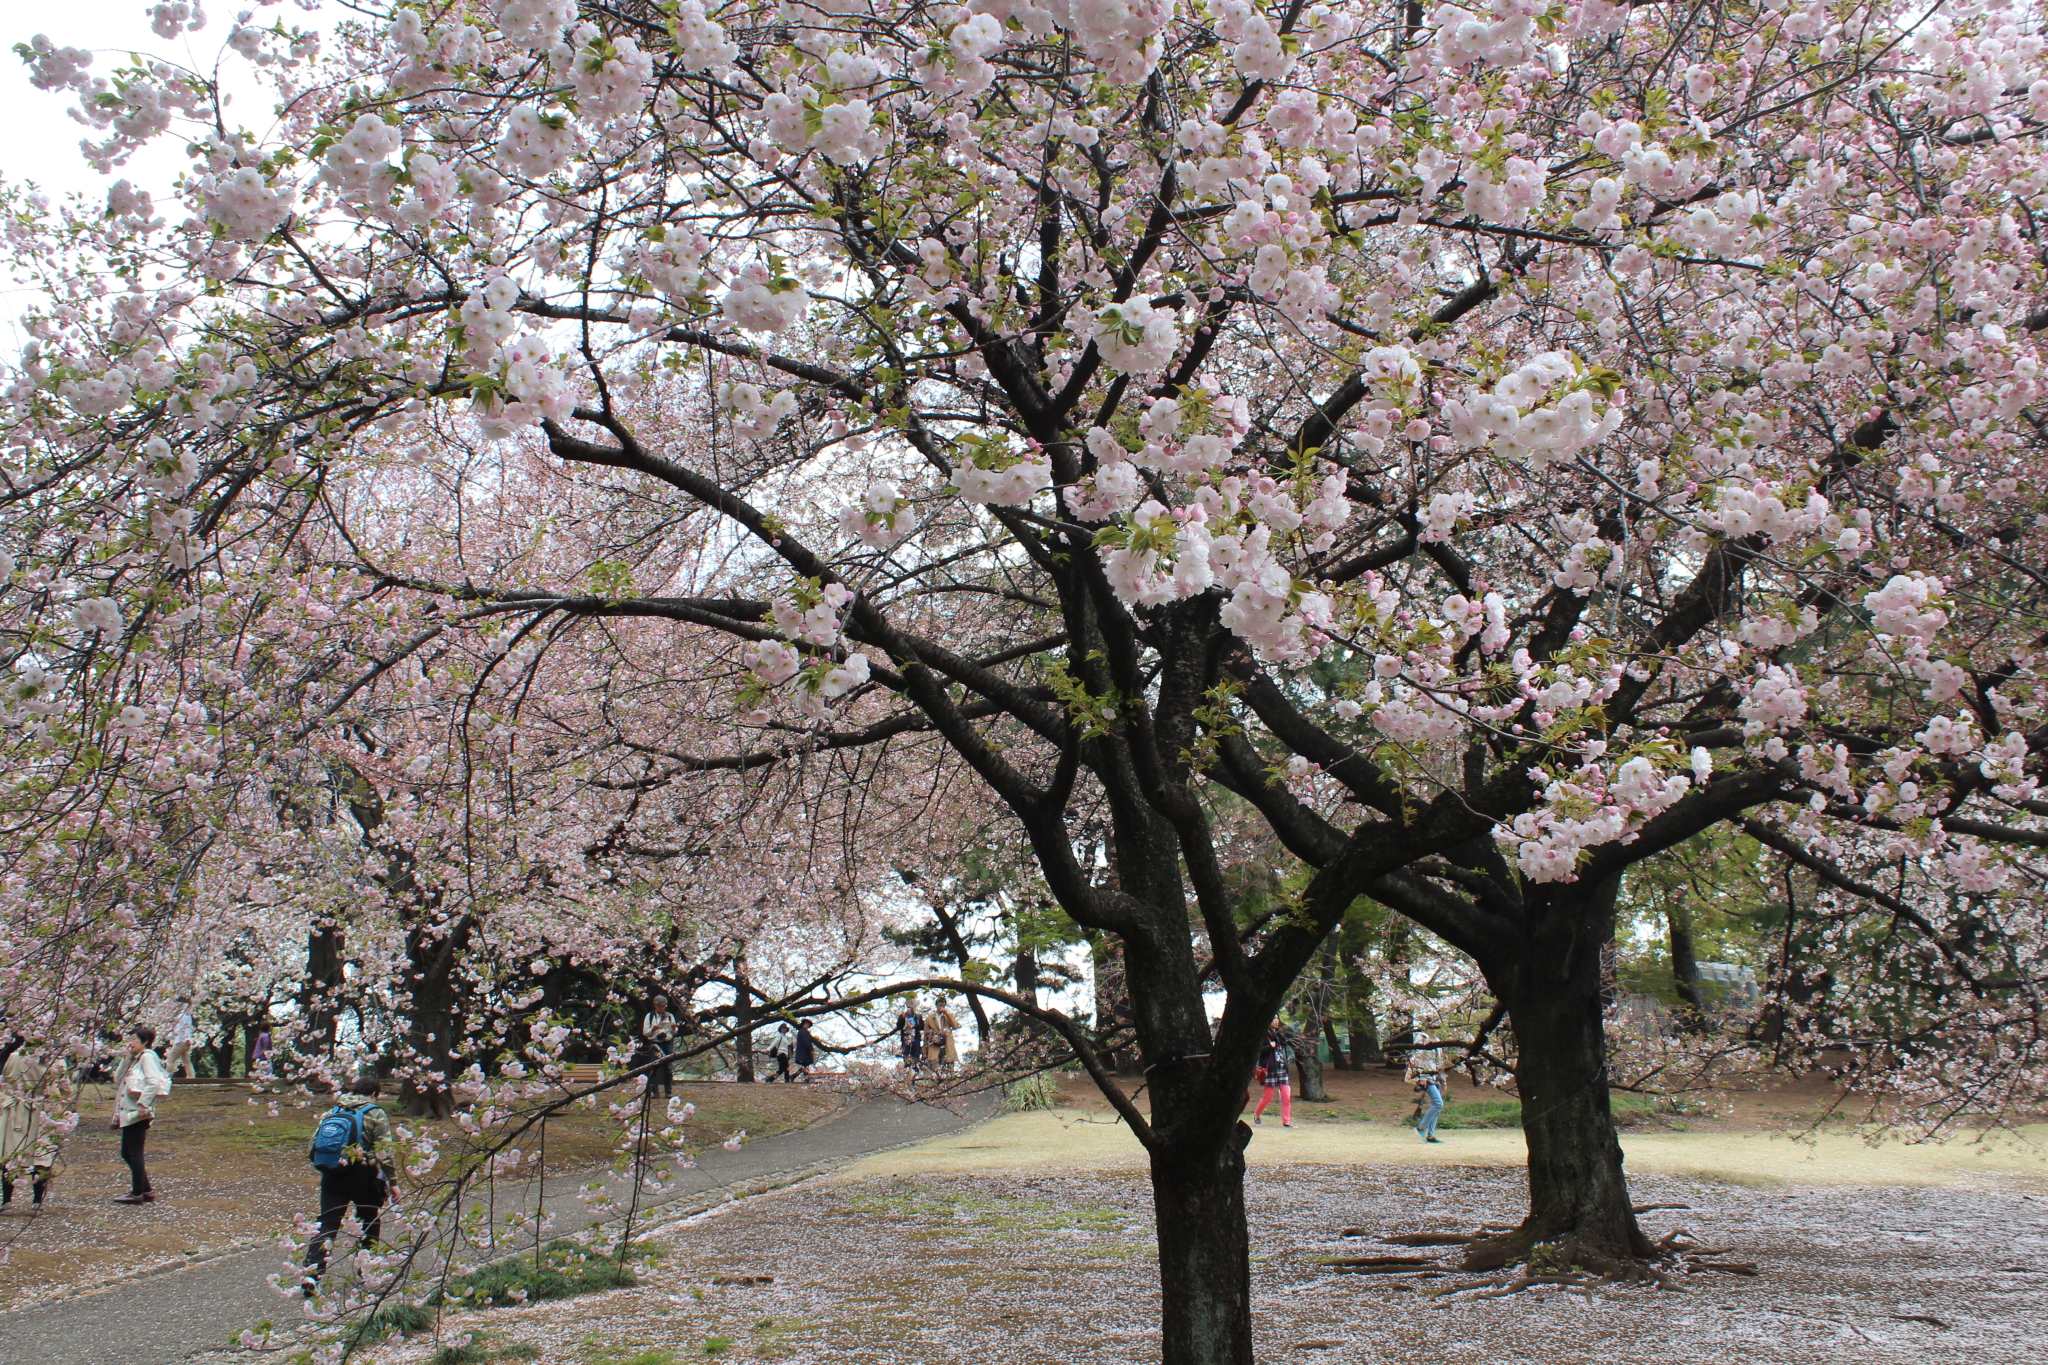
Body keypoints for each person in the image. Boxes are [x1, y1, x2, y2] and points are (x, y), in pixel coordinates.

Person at [303, 1075, 395, 1294]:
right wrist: (393, 1182)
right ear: (374, 1094)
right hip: (363, 1175)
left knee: (327, 1223)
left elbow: (313, 1146)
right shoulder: (375, 1113)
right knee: (369, 1220)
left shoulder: (333, 1112)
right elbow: (385, 1151)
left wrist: (329, 1167)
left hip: (332, 1175)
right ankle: (367, 1273)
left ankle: (311, 1275)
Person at [110, 1026, 172, 1203]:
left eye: (134, 1040)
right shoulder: (135, 1059)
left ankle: (138, 1192)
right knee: (127, 1152)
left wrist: (143, 1103)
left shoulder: (147, 1057)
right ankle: (145, 1190)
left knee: (134, 1152)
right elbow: (117, 1078)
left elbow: (153, 1083)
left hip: (137, 1111)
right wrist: (126, 1058)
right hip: (129, 1111)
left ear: (144, 1042)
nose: (131, 1043)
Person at [1, 1044, 56, 1210]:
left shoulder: (15, 1057)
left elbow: (5, 1078)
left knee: (12, 1154)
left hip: (15, 1110)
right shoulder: (51, 1061)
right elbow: (56, 1091)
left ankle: (7, 1201)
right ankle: (37, 1202)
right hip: (39, 1112)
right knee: (39, 1156)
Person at [1253, 1025, 1294, 1127]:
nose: (1276, 1021)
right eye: (1273, 1018)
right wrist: (1269, 1046)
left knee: (1286, 1096)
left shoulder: (1280, 1035)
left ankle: (1286, 1122)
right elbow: (1258, 1051)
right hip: (1271, 1069)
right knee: (1268, 1097)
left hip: (1282, 1069)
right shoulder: (1264, 1035)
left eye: (1277, 1018)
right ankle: (1256, 1115)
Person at [641, 994, 677, 1099]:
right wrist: (654, 1029)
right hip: (655, 1042)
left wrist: (674, 1028)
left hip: (667, 1042)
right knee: (655, 1067)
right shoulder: (650, 1016)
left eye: (664, 1006)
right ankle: (654, 1092)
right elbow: (645, 1032)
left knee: (668, 1067)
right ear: (655, 1006)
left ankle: (668, 1092)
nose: (662, 1008)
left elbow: (673, 1032)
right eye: (660, 1006)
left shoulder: (670, 1016)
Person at [165, 998, 196, 1079]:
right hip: (184, 1041)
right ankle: (191, 1078)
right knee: (186, 1061)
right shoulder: (185, 1015)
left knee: (171, 1059)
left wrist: (187, 1039)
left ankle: (165, 1077)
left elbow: (186, 1028)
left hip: (181, 1041)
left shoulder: (183, 1015)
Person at [925, 997, 959, 1072]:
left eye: (943, 1006)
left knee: (950, 1070)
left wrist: (946, 1013)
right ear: (936, 1005)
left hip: (947, 1046)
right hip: (934, 1046)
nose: (941, 1007)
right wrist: (924, 1052)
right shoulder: (929, 1018)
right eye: (940, 1005)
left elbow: (955, 1026)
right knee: (934, 1069)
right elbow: (926, 1035)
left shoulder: (948, 1017)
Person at [1412, 1067, 1445, 1143]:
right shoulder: (1427, 1054)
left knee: (1436, 1108)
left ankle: (1430, 1135)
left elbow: (1440, 1066)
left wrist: (1443, 1082)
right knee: (1438, 1104)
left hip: (1436, 1080)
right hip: (1429, 1080)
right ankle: (1421, 1127)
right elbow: (1422, 1063)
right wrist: (1423, 1079)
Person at [896, 997, 924, 1073]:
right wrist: (903, 1016)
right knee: (907, 1060)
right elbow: (899, 1026)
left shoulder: (918, 1017)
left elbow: (922, 1027)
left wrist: (914, 1026)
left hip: (916, 1041)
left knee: (915, 1060)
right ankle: (907, 1074)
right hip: (906, 1040)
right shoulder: (902, 1016)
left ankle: (915, 1075)